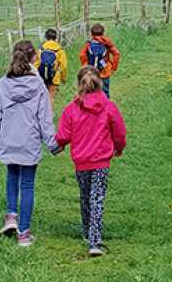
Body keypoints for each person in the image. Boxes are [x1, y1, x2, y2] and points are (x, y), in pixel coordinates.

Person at [0, 40, 61, 247]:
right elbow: (44, 118)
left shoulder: (2, 83)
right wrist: (52, 143)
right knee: (27, 184)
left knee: (12, 175)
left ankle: (11, 216)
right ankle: (24, 234)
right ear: (34, 58)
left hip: (9, 137)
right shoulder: (38, 85)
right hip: (29, 140)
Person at [56, 66, 127, 257]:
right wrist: (119, 148)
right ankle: (95, 240)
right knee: (97, 198)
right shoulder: (109, 107)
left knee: (85, 195)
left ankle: (88, 231)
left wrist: (58, 144)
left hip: (81, 161)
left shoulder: (71, 109)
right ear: (100, 83)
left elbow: (63, 134)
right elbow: (119, 132)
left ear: (79, 84)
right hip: (101, 161)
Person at [79, 23, 120, 98]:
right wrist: (113, 67)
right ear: (103, 33)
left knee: (91, 93)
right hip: (105, 72)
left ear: (91, 34)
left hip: (91, 73)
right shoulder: (107, 43)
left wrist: (86, 66)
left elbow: (82, 55)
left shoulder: (88, 45)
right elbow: (116, 53)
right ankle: (105, 108)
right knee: (105, 93)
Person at [34, 28, 68, 107]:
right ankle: (49, 116)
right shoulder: (60, 51)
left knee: (40, 97)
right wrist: (63, 78)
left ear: (46, 37)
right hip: (54, 77)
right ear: (56, 38)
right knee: (51, 97)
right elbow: (64, 66)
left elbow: (35, 64)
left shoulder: (41, 50)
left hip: (41, 77)